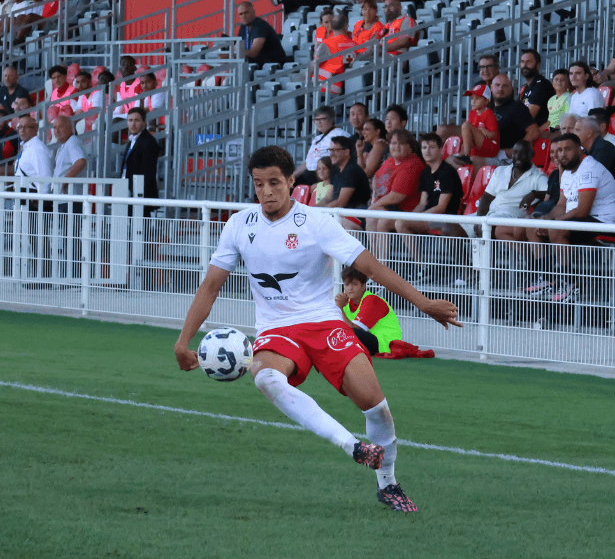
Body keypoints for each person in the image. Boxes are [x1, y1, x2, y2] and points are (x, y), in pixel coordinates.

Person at [173, 146, 462, 513]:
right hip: (277, 328)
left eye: (274, 182)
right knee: (264, 377)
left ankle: (387, 484)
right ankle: (351, 446)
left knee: (377, 408)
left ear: (292, 182)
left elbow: (371, 267)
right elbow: (211, 286)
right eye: (258, 184)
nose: (266, 192)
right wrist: (184, 341)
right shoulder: (238, 225)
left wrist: (423, 303)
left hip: (324, 322)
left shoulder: (318, 222)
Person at [524, 133, 615, 302]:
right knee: (533, 226)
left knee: (556, 230)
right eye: (559, 150)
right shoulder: (567, 171)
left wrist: (553, 223)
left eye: (567, 149)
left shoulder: (589, 168)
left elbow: (583, 210)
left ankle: (568, 281)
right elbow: (561, 205)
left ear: (579, 148)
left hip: (602, 221)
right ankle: (546, 277)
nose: (562, 154)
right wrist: (545, 220)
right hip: (580, 220)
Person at [337, 268, 435, 359]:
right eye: (347, 285)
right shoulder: (346, 302)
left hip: (384, 344)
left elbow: (354, 329)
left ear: (363, 286)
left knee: (352, 333)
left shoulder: (372, 300)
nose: (350, 288)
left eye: (354, 284)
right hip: (369, 340)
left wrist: (339, 308)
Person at [475, 140, 549, 241]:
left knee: (488, 228)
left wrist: (534, 194)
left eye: (523, 153)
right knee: (451, 226)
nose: (518, 156)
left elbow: (551, 193)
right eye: (515, 152)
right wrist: (478, 220)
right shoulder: (500, 171)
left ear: (532, 155)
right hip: (488, 216)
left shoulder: (538, 177)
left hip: (509, 219)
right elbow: (486, 197)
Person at [397, 132, 465, 238]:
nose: (427, 151)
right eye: (424, 147)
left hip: (445, 220)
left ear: (440, 149)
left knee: (401, 223)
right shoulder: (425, 172)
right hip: (428, 218)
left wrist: (418, 218)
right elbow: (422, 203)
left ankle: (416, 255)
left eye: (432, 147)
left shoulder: (447, 172)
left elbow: (441, 208)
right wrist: (411, 216)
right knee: (386, 222)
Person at [367, 129, 424, 237]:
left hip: (405, 211)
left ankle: (379, 254)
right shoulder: (390, 160)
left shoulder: (412, 165)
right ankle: (373, 253)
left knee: (373, 215)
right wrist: (374, 193)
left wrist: (374, 205)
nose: (396, 146)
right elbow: (376, 176)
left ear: (410, 147)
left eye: (401, 143)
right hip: (385, 206)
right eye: (393, 143)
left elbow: (396, 197)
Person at [120, 107, 161, 217]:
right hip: (128, 189)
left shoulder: (148, 142)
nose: (133, 124)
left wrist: (138, 193)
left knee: (141, 227)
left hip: (140, 193)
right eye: (130, 120)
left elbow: (148, 171)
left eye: (136, 120)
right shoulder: (132, 140)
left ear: (144, 122)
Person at [296, 106, 349, 184]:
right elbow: (307, 163)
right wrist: (292, 176)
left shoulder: (341, 134)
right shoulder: (317, 139)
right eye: (316, 120)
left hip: (324, 175)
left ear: (332, 120)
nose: (318, 122)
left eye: (322, 119)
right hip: (309, 174)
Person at [236, 1, 287, 67]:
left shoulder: (260, 25)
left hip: (273, 65)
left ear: (253, 12)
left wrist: (234, 54)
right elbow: (237, 47)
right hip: (258, 64)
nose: (244, 16)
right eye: (241, 14)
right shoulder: (243, 27)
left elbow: (254, 52)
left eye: (246, 13)